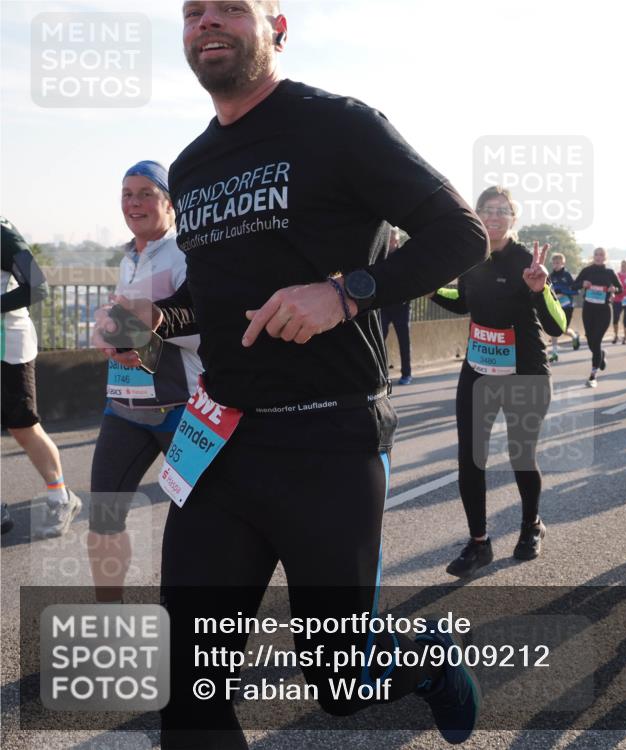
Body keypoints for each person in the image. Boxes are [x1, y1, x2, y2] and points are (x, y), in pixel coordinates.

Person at [142, 4, 489, 746]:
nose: (208, 22)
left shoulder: (339, 125)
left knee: (340, 681)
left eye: (229, 8)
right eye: (192, 11)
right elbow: (210, 299)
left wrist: (344, 294)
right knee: (188, 685)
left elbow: (460, 234)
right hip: (218, 439)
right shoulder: (192, 164)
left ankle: (428, 663)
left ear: (276, 24)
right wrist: (149, 322)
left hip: (327, 437)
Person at [430, 186, 565, 576]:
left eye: (502, 210)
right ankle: (478, 542)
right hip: (478, 370)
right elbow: (463, 300)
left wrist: (540, 291)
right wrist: (428, 289)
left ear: (513, 218)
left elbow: (556, 324)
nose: (493, 216)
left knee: (521, 454)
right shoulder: (470, 255)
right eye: (486, 209)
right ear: (476, 213)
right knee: (469, 457)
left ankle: (531, 525)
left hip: (526, 372)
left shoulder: (526, 260)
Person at [88, 161, 202, 604]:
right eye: (126, 194)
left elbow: (202, 330)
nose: (133, 203)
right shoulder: (127, 258)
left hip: (183, 411)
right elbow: (133, 327)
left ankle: (194, 631)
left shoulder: (185, 255)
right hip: (125, 408)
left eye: (145, 194)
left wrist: (135, 331)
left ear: (169, 204)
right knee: (104, 517)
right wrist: (111, 335)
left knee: (197, 525)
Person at [1, 216, 81, 539]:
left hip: (10, 346)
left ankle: (61, 497)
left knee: (23, 428)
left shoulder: (2, 233)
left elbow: (38, 287)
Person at [572, 247, 621, 387]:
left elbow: (620, 288)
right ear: (593, 256)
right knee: (590, 340)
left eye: (601, 255)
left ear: (605, 257)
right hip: (588, 309)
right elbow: (573, 285)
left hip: (604, 311)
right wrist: (582, 284)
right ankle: (601, 355)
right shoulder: (587, 271)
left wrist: (614, 289)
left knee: (597, 340)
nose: (598, 257)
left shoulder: (610, 273)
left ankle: (593, 376)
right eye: (596, 254)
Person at [379, 228, 413, 385]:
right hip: (384, 307)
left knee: (404, 342)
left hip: (401, 307)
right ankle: (381, 374)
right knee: (379, 340)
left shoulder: (405, 256)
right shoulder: (381, 256)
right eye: (389, 240)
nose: (392, 242)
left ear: (397, 241)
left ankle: (406, 374)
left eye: (394, 240)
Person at [547, 252, 580, 361]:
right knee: (553, 328)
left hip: (567, 306)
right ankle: (555, 352)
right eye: (554, 263)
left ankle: (575, 336)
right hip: (555, 306)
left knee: (563, 329)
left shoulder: (567, 275)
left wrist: (563, 291)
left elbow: (576, 291)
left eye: (558, 263)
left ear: (563, 263)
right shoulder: (550, 276)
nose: (556, 265)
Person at [611, 258, 626, 345]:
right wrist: (612, 295)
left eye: (625, 265)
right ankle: (616, 336)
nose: (623, 267)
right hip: (617, 299)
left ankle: (625, 337)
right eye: (622, 265)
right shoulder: (616, 275)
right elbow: (612, 286)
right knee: (615, 319)